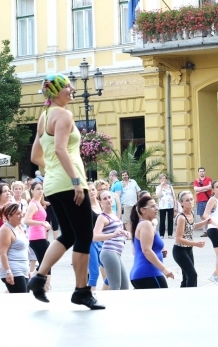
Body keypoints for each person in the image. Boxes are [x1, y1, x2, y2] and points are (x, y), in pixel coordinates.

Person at [27, 73, 103, 309]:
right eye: (67, 86)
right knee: (84, 236)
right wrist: (75, 180)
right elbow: (61, 149)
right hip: (69, 184)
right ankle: (81, 290)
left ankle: (39, 278)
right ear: (57, 91)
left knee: (68, 235)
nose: (72, 89)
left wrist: (56, 171)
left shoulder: (44, 116)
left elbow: (35, 156)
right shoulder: (64, 115)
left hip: (52, 184)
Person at [129, 195, 173, 289]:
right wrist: (164, 269)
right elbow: (146, 250)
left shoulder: (143, 224)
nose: (156, 208)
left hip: (142, 274)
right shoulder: (146, 224)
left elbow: (139, 250)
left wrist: (159, 253)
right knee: (164, 302)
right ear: (143, 210)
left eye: (156, 205)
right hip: (149, 273)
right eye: (152, 206)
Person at [93, 190, 130, 290]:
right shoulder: (102, 217)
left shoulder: (113, 214)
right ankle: (113, 305)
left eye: (109, 197)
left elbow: (116, 230)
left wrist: (124, 232)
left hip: (116, 253)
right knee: (115, 287)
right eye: (105, 199)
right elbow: (95, 236)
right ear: (100, 202)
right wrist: (112, 234)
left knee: (125, 287)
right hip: (109, 252)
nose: (108, 200)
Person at [173, 191, 208, 288]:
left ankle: (183, 298)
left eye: (191, 199)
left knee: (186, 277)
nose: (190, 202)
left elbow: (192, 226)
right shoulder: (181, 217)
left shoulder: (192, 213)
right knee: (192, 275)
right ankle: (191, 297)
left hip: (188, 249)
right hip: (179, 251)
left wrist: (205, 222)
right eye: (187, 200)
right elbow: (179, 238)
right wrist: (195, 243)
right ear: (181, 203)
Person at [0, 202, 30, 293]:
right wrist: (8, 271)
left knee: (25, 298)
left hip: (23, 269)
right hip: (14, 270)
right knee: (22, 300)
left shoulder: (18, 226)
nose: (21, 216)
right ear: (9, 216)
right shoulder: (5, 230)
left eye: (21, 213)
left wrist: (27, 269)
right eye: (18, 214)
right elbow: (2, 253)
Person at [203, 180, 218, 286]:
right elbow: (205, 215)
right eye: (217, 187)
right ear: (213, 189)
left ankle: (214, 275)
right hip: (213, 229)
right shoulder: (213, 200)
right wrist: (216, 224)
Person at [120, 171, 142, 236]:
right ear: (121, 176)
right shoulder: (120, 184)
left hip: (134, 204)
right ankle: (129, 234)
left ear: (128, 175)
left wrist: (139, 200)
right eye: (123, 175)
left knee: (134, 219)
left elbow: (138, 191)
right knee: (126, 220)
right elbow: (119, 194)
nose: (124, 176)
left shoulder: (133, 182)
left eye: (126, 175)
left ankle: (135, 233)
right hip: (125, 204)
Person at [155, 174, 175, 239]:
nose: (163, 179)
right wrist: (161, 186)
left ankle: (170, 234)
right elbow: (158, 195)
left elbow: (173, 196)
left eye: (164, 178)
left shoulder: (170, 186)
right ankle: (161, 234)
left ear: (166, 179)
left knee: (170, 220)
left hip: (170, 205)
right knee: (162, 220)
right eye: (161, 178)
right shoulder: (158, 187)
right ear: (159, 180)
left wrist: (175, 205)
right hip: (162, 206)